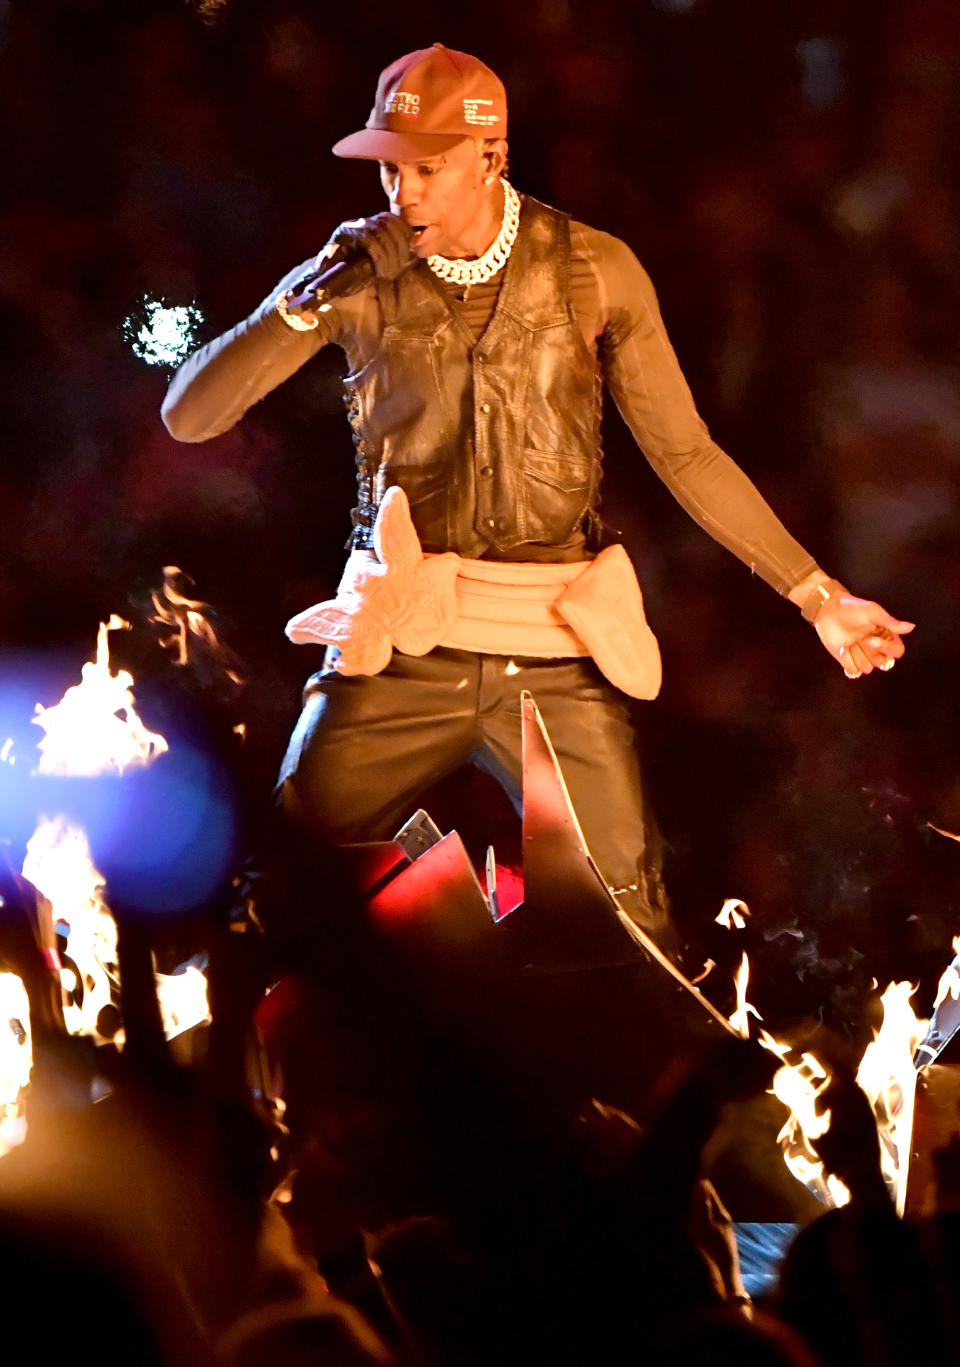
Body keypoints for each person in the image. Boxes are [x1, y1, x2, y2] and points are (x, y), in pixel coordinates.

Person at [161, 43, 912, 954]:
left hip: (551, 651)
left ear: (492, 156)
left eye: (428, 169)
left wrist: (818, 595)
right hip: (400, 648)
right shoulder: (353, 276)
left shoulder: (593, 269)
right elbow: (191, 416)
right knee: (275, 887)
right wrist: (299, 303)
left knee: (631, 922)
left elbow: (685, 451)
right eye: (391, 168)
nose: (404, 193)